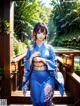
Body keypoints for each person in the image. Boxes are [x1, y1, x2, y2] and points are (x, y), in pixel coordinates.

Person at [22, 22, 64, 106]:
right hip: (34, 77)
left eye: (43, 33)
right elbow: (26, 65)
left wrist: (43, 60)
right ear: (35, 33)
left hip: (48, 77)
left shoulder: (50, 48)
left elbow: (54, 64)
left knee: (45, 101)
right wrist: (31, 57)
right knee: (36, 100)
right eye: (39, 32)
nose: (41, 35)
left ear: (46, 35)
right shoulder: (30, 48)